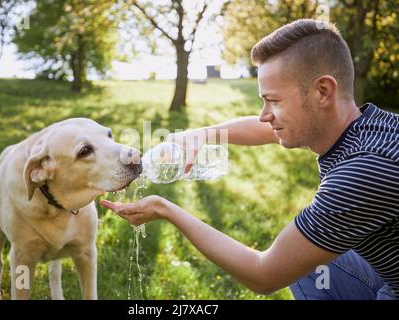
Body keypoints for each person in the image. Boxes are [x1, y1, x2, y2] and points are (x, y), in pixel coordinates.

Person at [100, 19, 399, 300]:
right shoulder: (369, 127)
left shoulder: (364, 171)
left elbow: (264, 274)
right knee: (308, 263)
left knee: (292, 259)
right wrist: (201, 134)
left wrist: (167, 210)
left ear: (323, 91)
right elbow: (265, 128)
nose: (264, 114)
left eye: (274, 100)